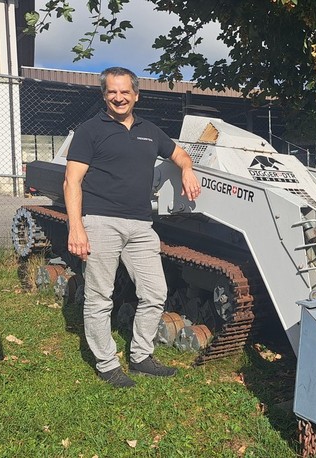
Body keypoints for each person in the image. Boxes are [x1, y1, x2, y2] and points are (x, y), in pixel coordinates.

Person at [64, 67, 201, 388]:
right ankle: (107, 363)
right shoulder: (90, 131)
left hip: (141, 225)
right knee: (99, 296)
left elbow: (179, 153)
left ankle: (140, 355)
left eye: (125, 91)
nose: (119, 97)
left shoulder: (149, 131)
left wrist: (188, 170)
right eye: (112, 91)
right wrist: (76, 227)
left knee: (155, 293)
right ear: (104, 95)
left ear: (136, 95)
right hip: (101, 222)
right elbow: (72, 180)